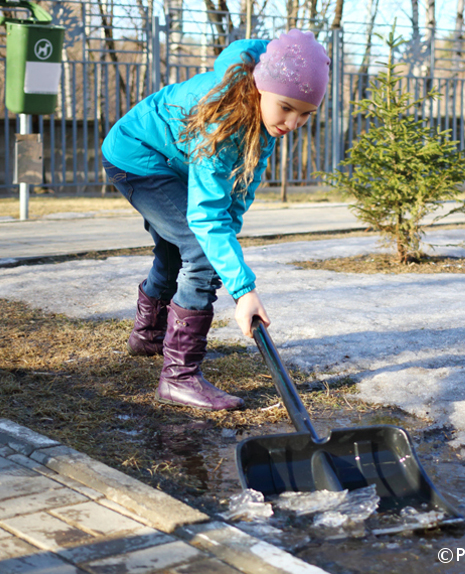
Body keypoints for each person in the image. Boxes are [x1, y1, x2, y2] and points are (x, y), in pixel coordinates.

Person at [101, 29, 330, 411]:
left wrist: (227, 249)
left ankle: (148, 335)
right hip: (136, 157)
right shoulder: (226, 115)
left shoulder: (263, 113)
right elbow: (207, 219)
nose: (293, 123)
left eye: (306, 114)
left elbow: (238, 195)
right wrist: (242, 289)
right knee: (199, 250)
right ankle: (179, 377)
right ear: (261, 88)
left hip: (170, 158)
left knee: (185, 247)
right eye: (287, 107)